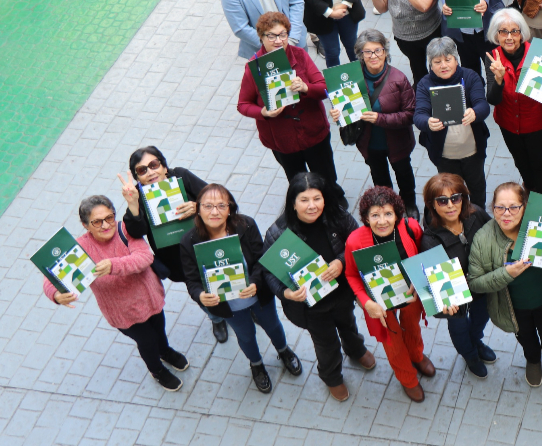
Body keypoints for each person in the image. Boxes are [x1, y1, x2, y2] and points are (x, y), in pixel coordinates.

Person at [43, 196, 190, 392]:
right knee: (146, 341)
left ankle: (165, 351)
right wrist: (56, 295)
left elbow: (144, 257)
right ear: (86, 225)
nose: (105, 225)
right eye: (97, 222)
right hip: (122, 312)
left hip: (150, 298)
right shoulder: (79, 249)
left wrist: (114, 265)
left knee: (159, 328)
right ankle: (157, 370)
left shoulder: (126, 229)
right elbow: (50, 279)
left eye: (109, 218)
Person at [179, 184, 302, 393]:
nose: (214, 212)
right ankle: (256, 364)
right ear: (198, 209)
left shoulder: (245, 225)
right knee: (245, 335)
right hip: (228, 307)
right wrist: (201, 295)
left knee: (273, 325)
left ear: (230, 208)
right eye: (208, 206)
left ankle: (284, 351)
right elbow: (191, 280)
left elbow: (262, 259)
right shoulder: (189, 241)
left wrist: (254, 282)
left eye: (221, 205)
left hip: (258, 295)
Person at [263, 173, 372, 401]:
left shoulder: (336, 216)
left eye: (317, 198)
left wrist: (341, 261)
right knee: (326, 345)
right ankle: (332, 376)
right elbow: (269, 272)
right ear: (293, 203)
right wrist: (286, 293)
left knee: (349, 324)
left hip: (342, 293)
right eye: (304, 200)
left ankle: (355, 349)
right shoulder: (277, 233)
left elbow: (358, 242)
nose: (312, 206)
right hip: (311, 307)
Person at [467, 182, 542, 387]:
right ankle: (532, 360)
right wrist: (505, 273)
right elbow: (475, 283)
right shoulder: (483, 238)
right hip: (513, 306)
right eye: (500, 207)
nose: (507, 213)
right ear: (492, 208)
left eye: (514, 207)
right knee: (526, 338)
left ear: (524, 207)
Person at [116, 147, 223, 340]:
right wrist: (133, 205)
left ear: (164, 166)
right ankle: (216, 317)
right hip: (179, 259)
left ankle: (247, 309)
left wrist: (198, 207)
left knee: (226, 275)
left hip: (208, 244)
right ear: (137, 178)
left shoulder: (180, 176)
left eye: (153, 165)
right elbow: (136, 232)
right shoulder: (138, 197)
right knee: (199, 290)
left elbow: (217, 198)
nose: (150, 172)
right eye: (142, 170)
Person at [342, 186, 434, 402]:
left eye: (387, 214)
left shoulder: (410, 227)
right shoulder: (355, 241)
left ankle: (417, 356)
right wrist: (366, 303)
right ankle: (407, 378)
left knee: (412, 327)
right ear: (365, 217)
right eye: (375, 215)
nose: (382, 221)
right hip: (380, 305)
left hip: (410, 295)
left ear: (397, 214)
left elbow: (421, 255)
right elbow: (351, 275)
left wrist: (418, 280)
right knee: (393, 343)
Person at [236, 12, 338, 187]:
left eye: (283, 35)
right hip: (281, 139)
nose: (278, 40)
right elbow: (243, 105)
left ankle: (335, 203)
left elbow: (323, 87)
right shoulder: (254, 67)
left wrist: (306, 87)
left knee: (326, 178)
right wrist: (263, 112)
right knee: (298, 182)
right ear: (261, 37)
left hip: (313, 132)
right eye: (271, 36)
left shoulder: (300, 55)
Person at [329, 29, 417, 213]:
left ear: (385, 51)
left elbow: (410, 114)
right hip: (369, 143)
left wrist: (380, 118)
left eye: (378, 50)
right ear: (361, 55)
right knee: (380, 179)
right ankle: (388, 208)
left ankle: (409, 204)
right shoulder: (351, 79)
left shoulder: (399, 79)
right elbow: (348, 112)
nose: (373, 56)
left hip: (397, 142)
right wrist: (339, 116)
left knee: (404, 174)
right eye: (367, 52)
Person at [419, 173, 495, 377]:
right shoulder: (429, 241)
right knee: (458, 324)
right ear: (431, 205)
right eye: (442, 200)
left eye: (456, 198)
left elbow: (496, 235)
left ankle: (476, 341)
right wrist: (444, 304)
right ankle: (469, 354)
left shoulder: (476, 214)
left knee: (481, 317)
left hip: (480, 285)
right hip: (455, 295)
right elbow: (436, 285)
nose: (451, 205)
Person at [485, 9, 542, 194]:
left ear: (522, 34)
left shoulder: (539, 55)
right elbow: (493, 99)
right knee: (520, 162)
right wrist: (499, 80)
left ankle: (541, 197)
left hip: (536, 123)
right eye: (503, 32)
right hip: (508, 123)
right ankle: (529, 188)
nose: (509, 37)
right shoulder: (493, 58)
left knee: (538, 162)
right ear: (496, 34)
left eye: (514, 31)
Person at [413, 37, 491, 207]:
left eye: (448, 59)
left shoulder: (470, 76)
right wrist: (428, 122)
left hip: (473, 151)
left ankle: (479, 219)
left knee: (477, 190)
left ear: (456, 60)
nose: (443, 65)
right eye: (437, 61)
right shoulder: (424, 84)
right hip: (444, 156)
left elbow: (483, 105)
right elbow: (418, 115)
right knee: (452, 195)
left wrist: (475, 112)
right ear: (430, 64)